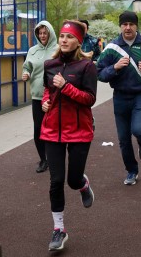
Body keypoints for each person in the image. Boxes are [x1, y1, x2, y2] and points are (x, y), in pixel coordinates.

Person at [40, 20, 97, 252]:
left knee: (72, 180)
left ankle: (83, 184)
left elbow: (90, 99)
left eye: (69, 37)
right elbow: (47, 89)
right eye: (62, 36)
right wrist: (45, 101)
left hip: (79, 131)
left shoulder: (86, 67)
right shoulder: (49, 64)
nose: (64, 40)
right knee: (55, 181)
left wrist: (66, 87)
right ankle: (59, 229)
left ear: (78, 41)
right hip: (52, 130)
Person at [96, 11, 141, 185]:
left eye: (131, 24)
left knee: (138, 129)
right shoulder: (112, 47)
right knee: (123, 139)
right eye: (124, 24)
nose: (128, 27)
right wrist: (115, 67)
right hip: (120, 96)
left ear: (136, 26)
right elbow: (99, 73)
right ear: (120, 26)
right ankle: (131, 171)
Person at [21, 20, 58, 173]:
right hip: (37, 96)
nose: (42, 35)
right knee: (38, 130)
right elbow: (26, 66)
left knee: (54, 128)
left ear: (50, 33)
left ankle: (55, 157)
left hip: (55, 96)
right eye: (40, 33)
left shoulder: (58, 49)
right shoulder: (32, 50)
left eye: (45, 32)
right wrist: (26, 73)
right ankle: (43, 159)